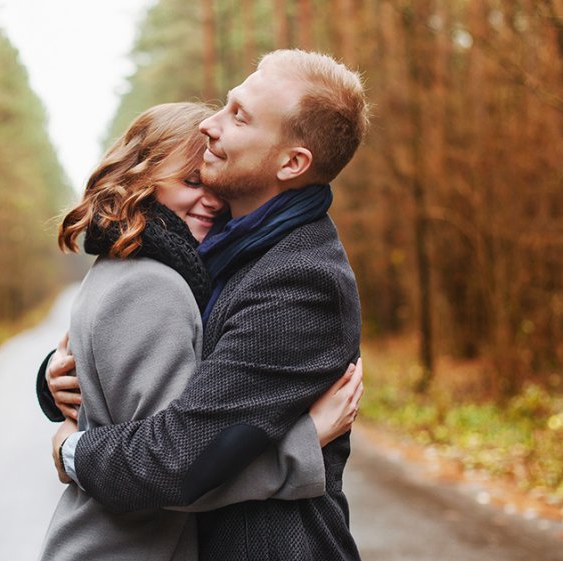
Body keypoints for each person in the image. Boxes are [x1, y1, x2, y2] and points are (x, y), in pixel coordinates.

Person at [43, 49, 370, 560]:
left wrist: (73, 449)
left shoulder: (300, 281)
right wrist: (57, 377)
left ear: (292, 162)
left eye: (239, 115)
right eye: (228, 105)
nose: (212, 126)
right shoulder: (221, 248)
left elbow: (178, 460)